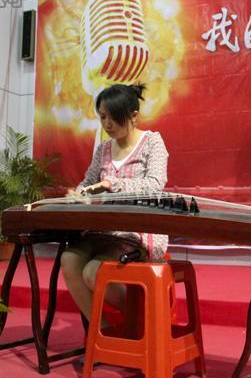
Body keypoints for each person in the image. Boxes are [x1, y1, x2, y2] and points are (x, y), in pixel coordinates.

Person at [60, 83, 169, 325]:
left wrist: (112, 184)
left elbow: (155, 185)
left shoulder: (152, 142)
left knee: (92, 273)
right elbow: (88, 183)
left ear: (133, 116)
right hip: (103, 230)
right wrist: (79, 194)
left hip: (137, 232)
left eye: (114, 117)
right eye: (102, 117)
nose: (107, 124)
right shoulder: (103, 150)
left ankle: (140, 317)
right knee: (69, 260)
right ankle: (102, 332)